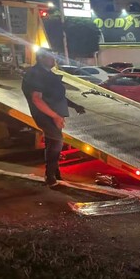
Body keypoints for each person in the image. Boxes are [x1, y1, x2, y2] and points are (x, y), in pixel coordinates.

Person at [21, 49, 86, 187]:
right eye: (51, 57)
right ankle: (50, 175)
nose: (54, 60)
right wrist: (55, 116)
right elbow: (36, 99)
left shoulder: (47, 73)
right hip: (45, 115)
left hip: (52, 114)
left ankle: (54, 173)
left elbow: (56, 95)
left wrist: (75, 105)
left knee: (52, 143)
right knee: (57, 143)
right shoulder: (36, 74)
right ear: (41, 58)